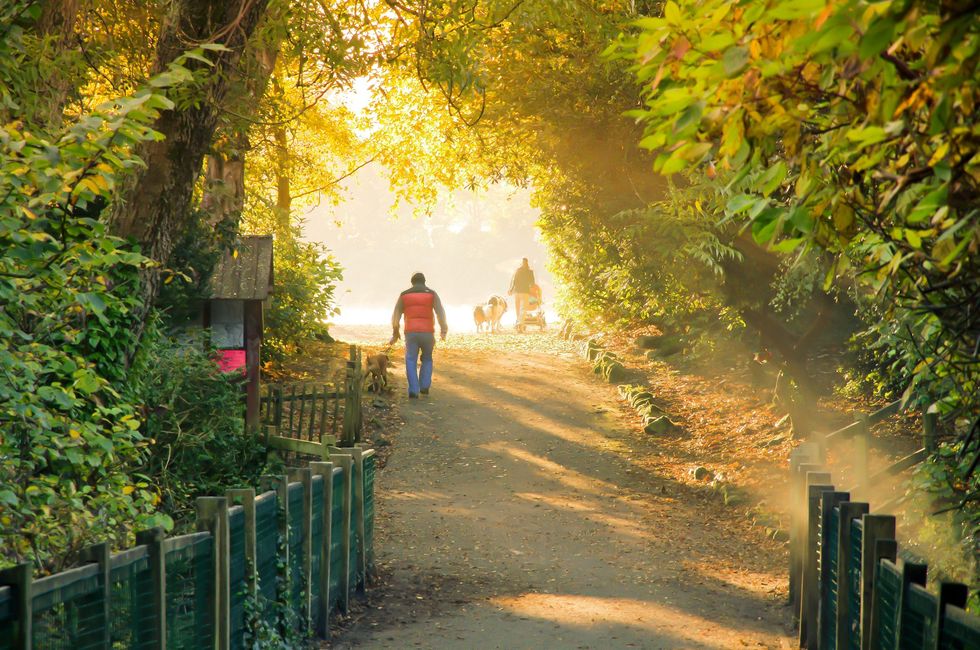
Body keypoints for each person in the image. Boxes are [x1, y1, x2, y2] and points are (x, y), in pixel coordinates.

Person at [389, 272, 448, 398]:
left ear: (412, 282)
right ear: (424, 281)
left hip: (411, 333)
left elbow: (396, 315)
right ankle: (425, 386)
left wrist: (395, 332)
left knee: (410, 359)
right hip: (428, 333)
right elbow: (440, 312)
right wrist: (443, 329)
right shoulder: (431, 294)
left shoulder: (404, 295)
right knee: (427, 358)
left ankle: (414, 390)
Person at [508, 258, 536, 326]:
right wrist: (533, 291)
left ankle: (518, 321)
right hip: (525, 292)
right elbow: (532, 283)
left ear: (521, 263)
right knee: (523, 308)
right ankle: (520, 323)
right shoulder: (530, 272)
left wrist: (511, 289)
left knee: (517, 308)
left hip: (517, 292)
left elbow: (514, 281)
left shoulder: (518, 270)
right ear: (527, 263)